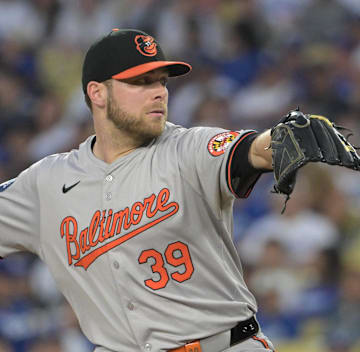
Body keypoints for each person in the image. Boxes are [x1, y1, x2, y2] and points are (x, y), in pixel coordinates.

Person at [1, 28, 287, 352]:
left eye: (161, 81)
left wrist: (283, 140)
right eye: (140, 82)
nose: (159, 92)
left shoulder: (188, 148)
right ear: (97, 93)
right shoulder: (47, 182)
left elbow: (252, 150)